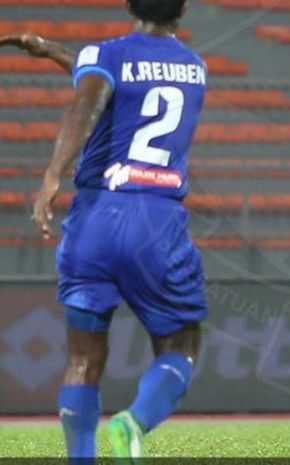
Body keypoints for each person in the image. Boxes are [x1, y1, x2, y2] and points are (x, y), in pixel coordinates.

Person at [3, 0, 208, 461]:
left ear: (129, 5)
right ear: (183, 10)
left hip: (94, 216)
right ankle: (135, 421)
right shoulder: (195, 68)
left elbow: (90, 99)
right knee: (181, 344)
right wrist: (55, 50)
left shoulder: (107, 53)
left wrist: (54, 173)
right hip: (156, 220)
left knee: (82, 358)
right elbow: (133, 82)